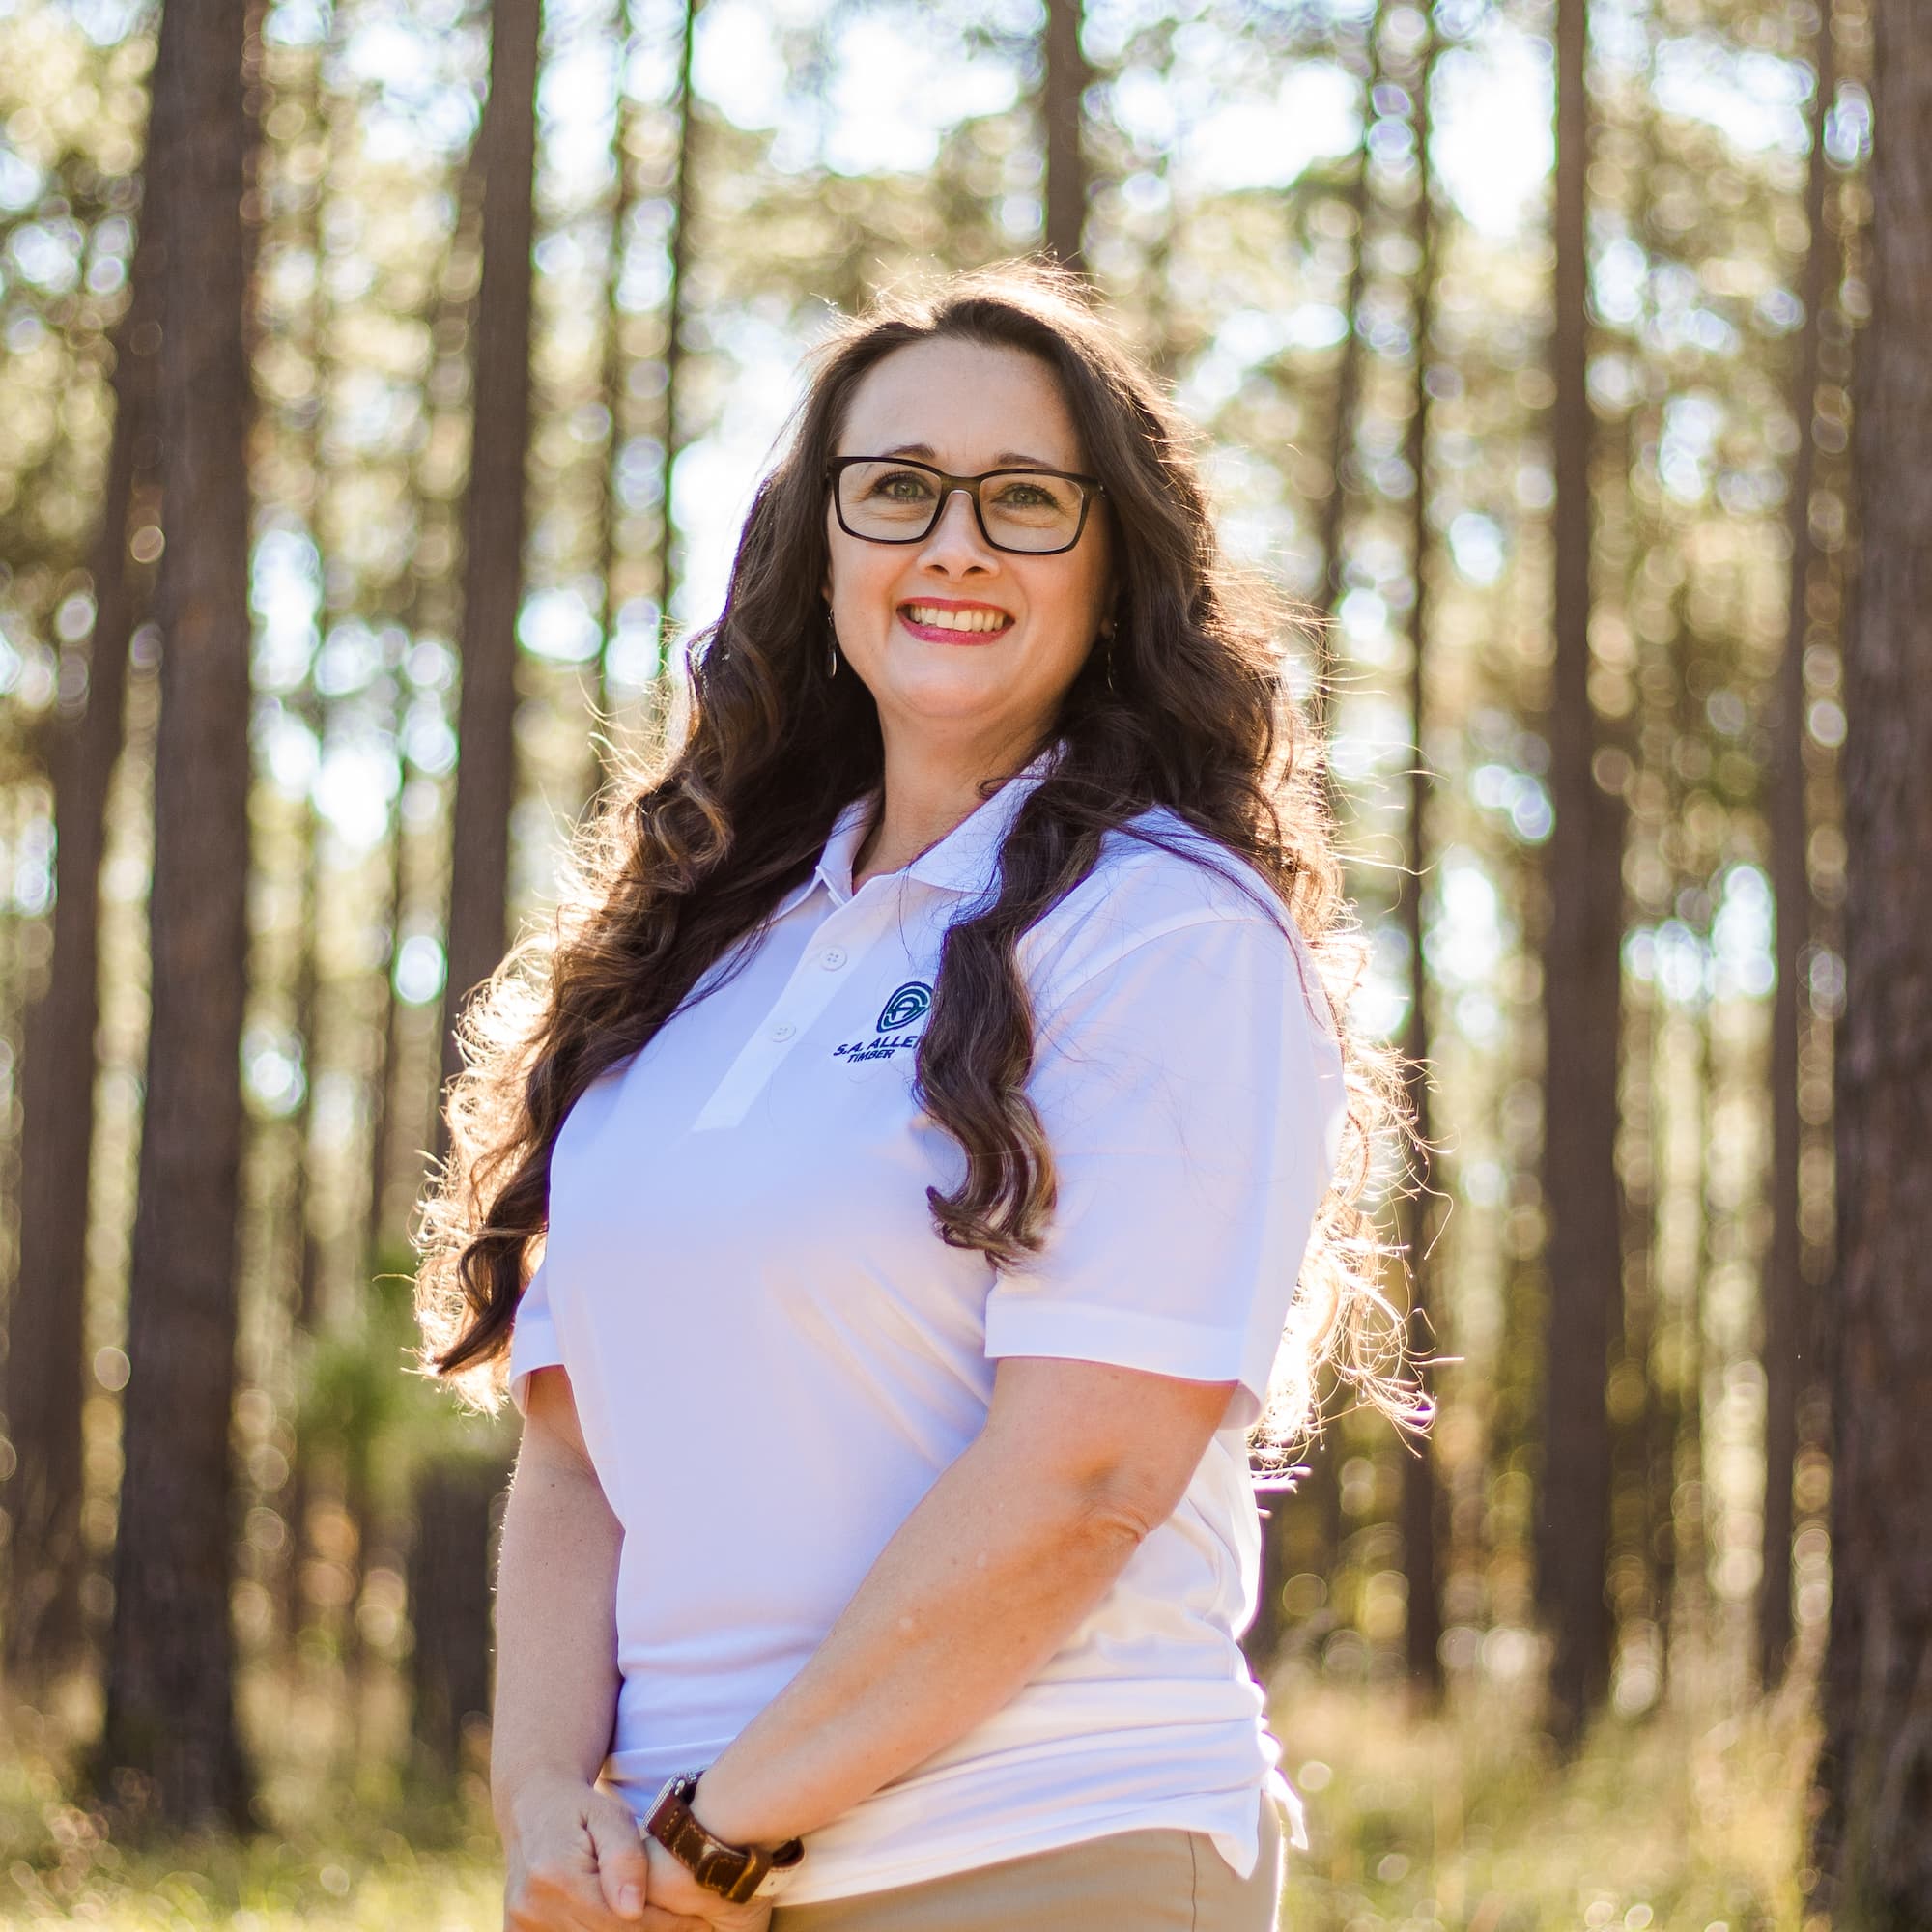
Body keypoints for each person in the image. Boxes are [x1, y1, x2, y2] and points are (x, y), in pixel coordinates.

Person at [413, 259, 1416, 1932]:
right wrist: (543, 1803)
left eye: (1025, 499)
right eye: (898, 490)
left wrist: (730, 1828)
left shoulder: (1164, 928)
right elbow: (576, 1452)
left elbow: (1086, 1480)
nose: (955, 544)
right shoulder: (704, 959)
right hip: (669, 1877)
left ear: (1115, 565)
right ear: (822, 546)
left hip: (1031, 1851)